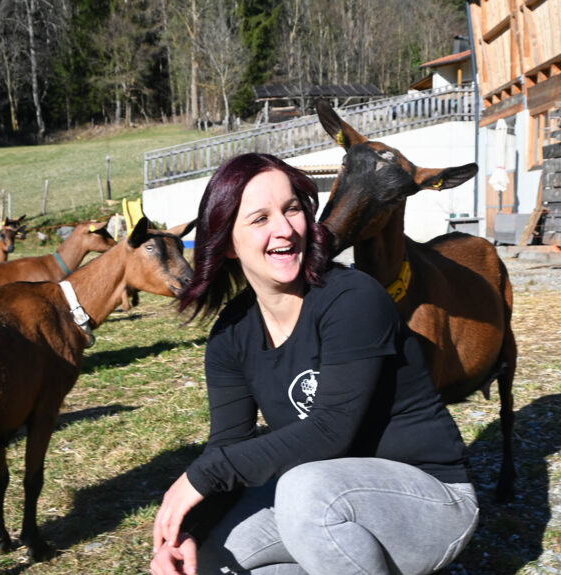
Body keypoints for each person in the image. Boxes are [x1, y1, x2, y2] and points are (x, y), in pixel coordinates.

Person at [150, 153, 478, 575]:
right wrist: (188, 530)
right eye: (260, 218)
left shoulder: (352, 298)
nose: (284, 229)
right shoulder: (231, 336)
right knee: (210, 559)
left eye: (291, 209)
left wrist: (203, 474)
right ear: (228, 243)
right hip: (324, 498)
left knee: (303, 491)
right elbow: (228, 445)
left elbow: (330, 432)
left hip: (427, 498)